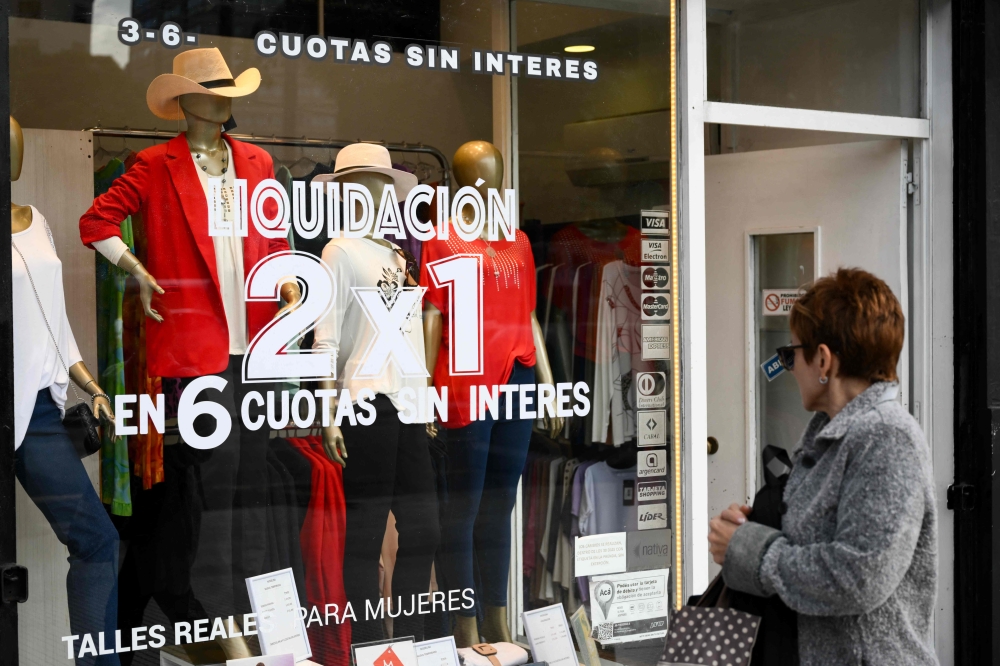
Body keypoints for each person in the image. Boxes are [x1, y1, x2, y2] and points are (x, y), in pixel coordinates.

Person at [708, 268, 938, 666]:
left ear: (823, 359)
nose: (789, 367)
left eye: (790, 353)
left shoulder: (885, 437)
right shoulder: (834, 432)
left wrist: (750, 550)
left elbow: (859, 576)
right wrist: (749, 528)